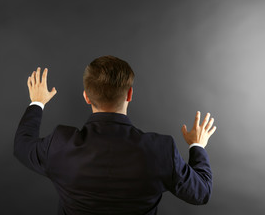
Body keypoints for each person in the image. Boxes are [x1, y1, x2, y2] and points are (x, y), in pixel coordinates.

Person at [14, 55, 216, 215]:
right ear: (129, 94)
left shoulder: (60, 144)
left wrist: (37, 102)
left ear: (86, 96)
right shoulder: (162, 150)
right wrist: (197, 146)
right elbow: (202, 192)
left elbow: (22, 145)